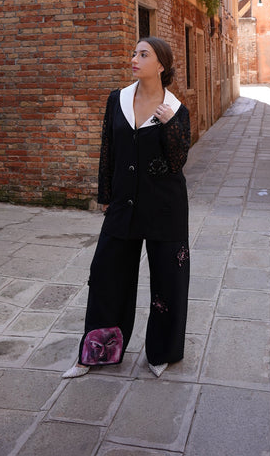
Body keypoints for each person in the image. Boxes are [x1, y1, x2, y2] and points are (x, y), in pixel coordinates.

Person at [62, 36, 191, 379]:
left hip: (166, 207)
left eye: (143, 54)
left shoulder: (177, 110)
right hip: (124, 204)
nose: (134, 58)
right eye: (134, 53)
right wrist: (105, 194)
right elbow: (108, 150)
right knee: (106, 275)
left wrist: (168, 126)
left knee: (168, 280)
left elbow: (178, 162)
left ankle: (161, 352)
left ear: (161, 65)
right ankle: (94, 353)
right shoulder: (117, 100)